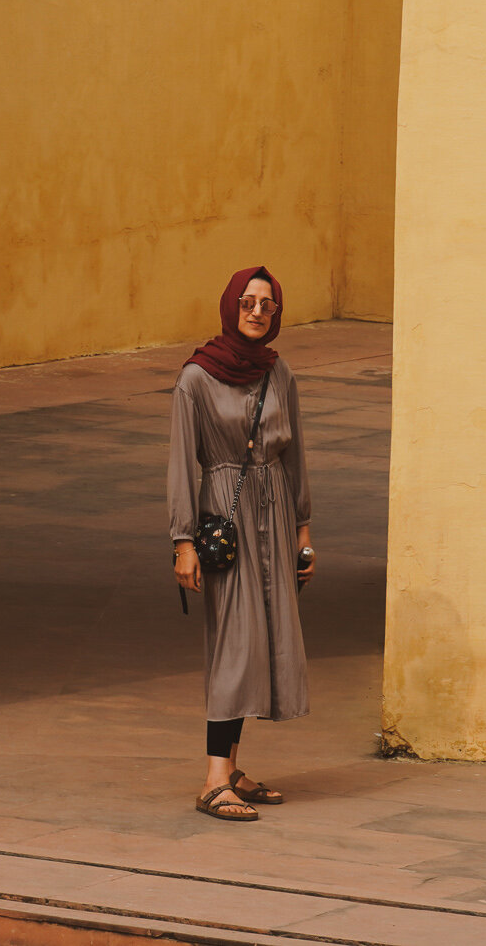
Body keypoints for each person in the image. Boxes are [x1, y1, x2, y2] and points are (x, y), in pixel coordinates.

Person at [169, 265, 315, 821]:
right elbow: (183, 463)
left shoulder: (280, 376)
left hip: (275, 512)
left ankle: (231, 768)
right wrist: (183, 540)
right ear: (231, 305)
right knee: (235, 642)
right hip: (224, 519)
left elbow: (295, 454)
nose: (257, 312)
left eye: (268, 304)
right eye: (248, 302)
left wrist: (303, 531)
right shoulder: (197, 378)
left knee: (263, 639)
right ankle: (212, 778)